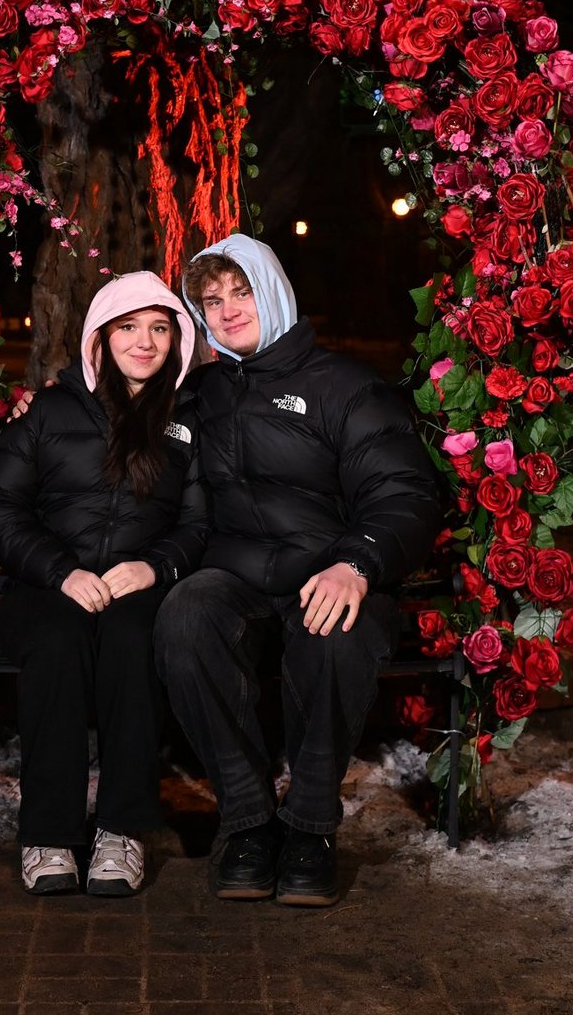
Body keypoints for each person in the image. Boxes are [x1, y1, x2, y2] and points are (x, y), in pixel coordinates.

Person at [153, 235, 442, 906]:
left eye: (241, 291)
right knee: (185, 615)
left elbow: (404, 493)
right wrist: (50, 402)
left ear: (272, 287)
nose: (227, 312)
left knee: (335, 628)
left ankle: (310, 824)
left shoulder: (342, 385)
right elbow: (120, 420)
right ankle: (249, 818)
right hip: (238, 575)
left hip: (333, 569)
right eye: (212, 301)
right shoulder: (200, 393)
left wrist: (357, 560)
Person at [0, 272, 207, 898]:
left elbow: (197, 522)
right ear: (100, 339)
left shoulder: (187, 420)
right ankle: (49, 834)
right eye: (128, 327)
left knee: (134, 644)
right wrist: (59, 570)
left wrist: (153, 568)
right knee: (57, 645)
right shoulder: (50, 409)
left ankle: (121, 830)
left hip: (136, 587)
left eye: (160, 328)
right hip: (48, 584)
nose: (145, 341)